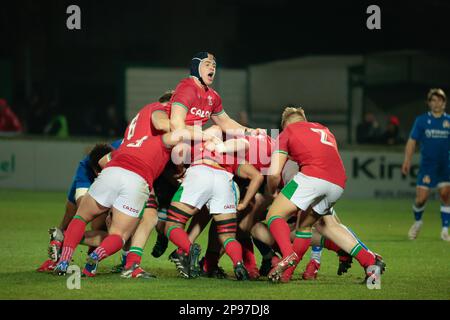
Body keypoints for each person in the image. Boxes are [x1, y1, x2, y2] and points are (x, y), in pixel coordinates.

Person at [53, 100, 190, 276]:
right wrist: (206, 134)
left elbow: (103, 160)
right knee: (120, 235)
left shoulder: (134, 133)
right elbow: (177, 139)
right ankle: (103, 257)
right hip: (138, 180)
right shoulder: (163, 130)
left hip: (113, 171)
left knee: (81, 217)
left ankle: (64, 261)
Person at [265, 106, 385, 283]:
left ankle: (287, 256)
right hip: (338, 182)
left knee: (274, 214)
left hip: (311, 177)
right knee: (318, 226)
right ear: (304, 120)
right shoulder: (324, 129)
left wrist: (272, 191)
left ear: (284, 124)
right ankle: (370, 262)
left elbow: (274, 173)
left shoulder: (287, 132)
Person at [37, 141, 121, 272]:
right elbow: (83, 207)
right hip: (92, 187)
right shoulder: (85, 170)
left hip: (110, 183)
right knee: (115, 230)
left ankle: (62, 241)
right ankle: (65, 246)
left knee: (98, 225)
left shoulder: (122, 146)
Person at [402, 88, 450, 241]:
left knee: (445, 195)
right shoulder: (422, 120)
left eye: (440, 100)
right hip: (428, 166)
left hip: (445, 166)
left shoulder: (448, 121)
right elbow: (412, 141)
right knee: (421, 199)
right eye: (433, 100)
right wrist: (407, 160)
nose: (437, 103)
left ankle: (444, 230)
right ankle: (417, 222)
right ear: (429, 103)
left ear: (444, 103)